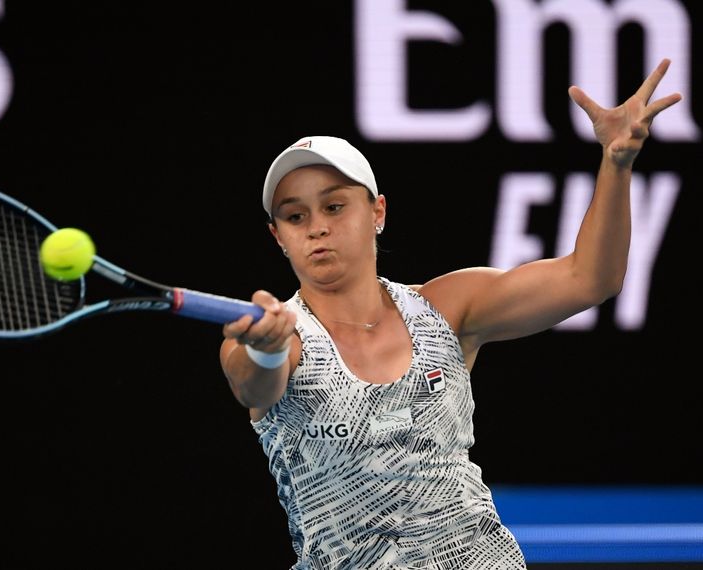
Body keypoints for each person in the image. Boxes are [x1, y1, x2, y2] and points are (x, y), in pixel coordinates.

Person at [219, 59, 681, 569]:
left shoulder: (448, 307)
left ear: (378, 213)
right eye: (295, 216)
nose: (316, 228)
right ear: (277, 237)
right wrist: (265, 351)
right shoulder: (277, 338)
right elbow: (253, 387)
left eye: (334, 207)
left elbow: (591, 279)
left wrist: (616, 164)